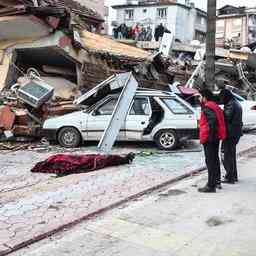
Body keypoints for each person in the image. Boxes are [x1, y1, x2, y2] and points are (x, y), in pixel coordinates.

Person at [198, 89, 226, 193]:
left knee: (210, 161)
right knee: (214, 160)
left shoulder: (207, 107)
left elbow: (213, 121)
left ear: (204, 97)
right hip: (215, 137)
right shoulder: (215, 105)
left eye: (200, 97)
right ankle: (216, 181)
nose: (199, 99)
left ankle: (211, 186)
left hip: (210, 138)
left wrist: (209, 136)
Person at [220, 89, 243, 184]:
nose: (221, 99)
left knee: (226, 155)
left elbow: (226, 117)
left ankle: (230, 177)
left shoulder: (230, 104)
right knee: (231, 155)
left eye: (222, 97)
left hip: (230, 134)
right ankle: (233, 176)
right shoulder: (236, 103)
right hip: (235, 133)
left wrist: (220, 111)